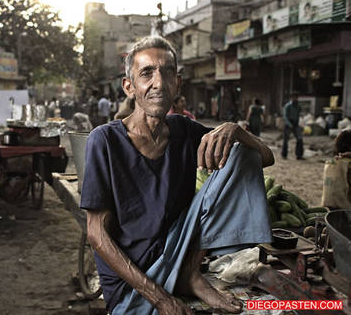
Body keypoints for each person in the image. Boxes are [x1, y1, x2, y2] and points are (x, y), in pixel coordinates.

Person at [80, 36, 274, 315]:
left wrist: (237, 130)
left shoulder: (184, 129)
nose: (158, 83)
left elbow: (264, 158)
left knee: (242, 152)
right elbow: (96, 234)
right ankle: (175, 283)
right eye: (146, 73)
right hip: (133, 284)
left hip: (177, 251)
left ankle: (189, 274)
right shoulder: (105, 140)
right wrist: (161, 299)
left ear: (178, 83)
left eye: (167, 72)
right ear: (129, 87)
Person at [282, 92, 304, 160]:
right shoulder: (287, 106)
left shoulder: (298, 106)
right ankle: (284, 154)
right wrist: (290, 125)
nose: (295, 99)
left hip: (296, 123)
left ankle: (299, 155)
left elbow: (299, 115)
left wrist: (300, 123)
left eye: (296, 97)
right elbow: (285, 117)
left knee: (300, 139)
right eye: (294, 97)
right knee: (286, 140)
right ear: (291, 98)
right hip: (289, 123)